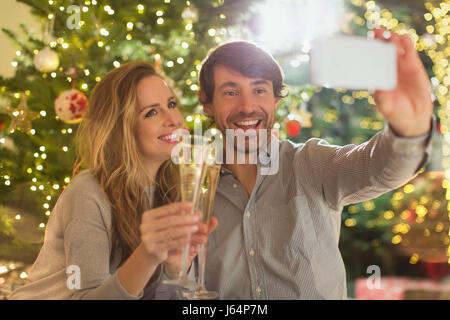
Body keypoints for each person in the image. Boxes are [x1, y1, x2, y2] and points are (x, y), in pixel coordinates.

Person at [197, 28, 435, 299]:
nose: (247, 106)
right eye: (230, 92)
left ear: (276, 100)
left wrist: (410, 128)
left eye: (259, 89)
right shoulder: (193, 190)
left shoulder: (310, 163)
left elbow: (379, 168)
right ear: (207, 103)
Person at [8, 61, 217, 299]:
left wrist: (177, 268)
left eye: (171, 104)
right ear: (122, 128)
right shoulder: (88, 193)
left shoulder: (171, 187)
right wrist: (147, 256)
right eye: (151, 112)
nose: (174, 119)